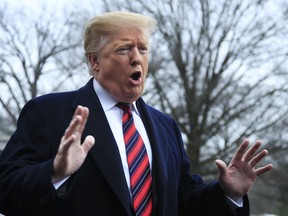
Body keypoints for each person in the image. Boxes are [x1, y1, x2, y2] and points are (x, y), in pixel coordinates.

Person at [0, 11, 273, 216]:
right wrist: (54, 172)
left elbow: (185, 200)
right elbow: (6, 190)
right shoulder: (49, 113)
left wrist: (227, 193)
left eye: (143, 49)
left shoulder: (165, 127)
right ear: (94, 60)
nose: (137, 57)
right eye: (124, 49)